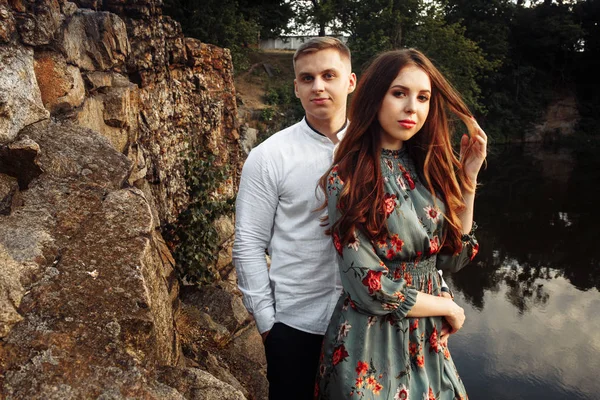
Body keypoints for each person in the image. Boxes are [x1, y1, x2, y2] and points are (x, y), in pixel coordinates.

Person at [316, 48, 486, 399]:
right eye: (399, 93)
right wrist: (447, 307)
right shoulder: (346, 179)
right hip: (372, 341)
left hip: (427, 340)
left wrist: (467, 181)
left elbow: (453, 258)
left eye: (423, 97)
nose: (412, 107)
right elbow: (367, 284)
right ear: (374, 97)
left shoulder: (428, 169)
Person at [232, 37, 357, 400]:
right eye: (307, 78)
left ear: (350, 82)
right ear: (296, 88)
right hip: (296, 326)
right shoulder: (268, 156)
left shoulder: (377, 150)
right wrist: (269, 325)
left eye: (329, 75)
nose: (318, 86)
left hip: (369, 323)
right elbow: (248, 244)